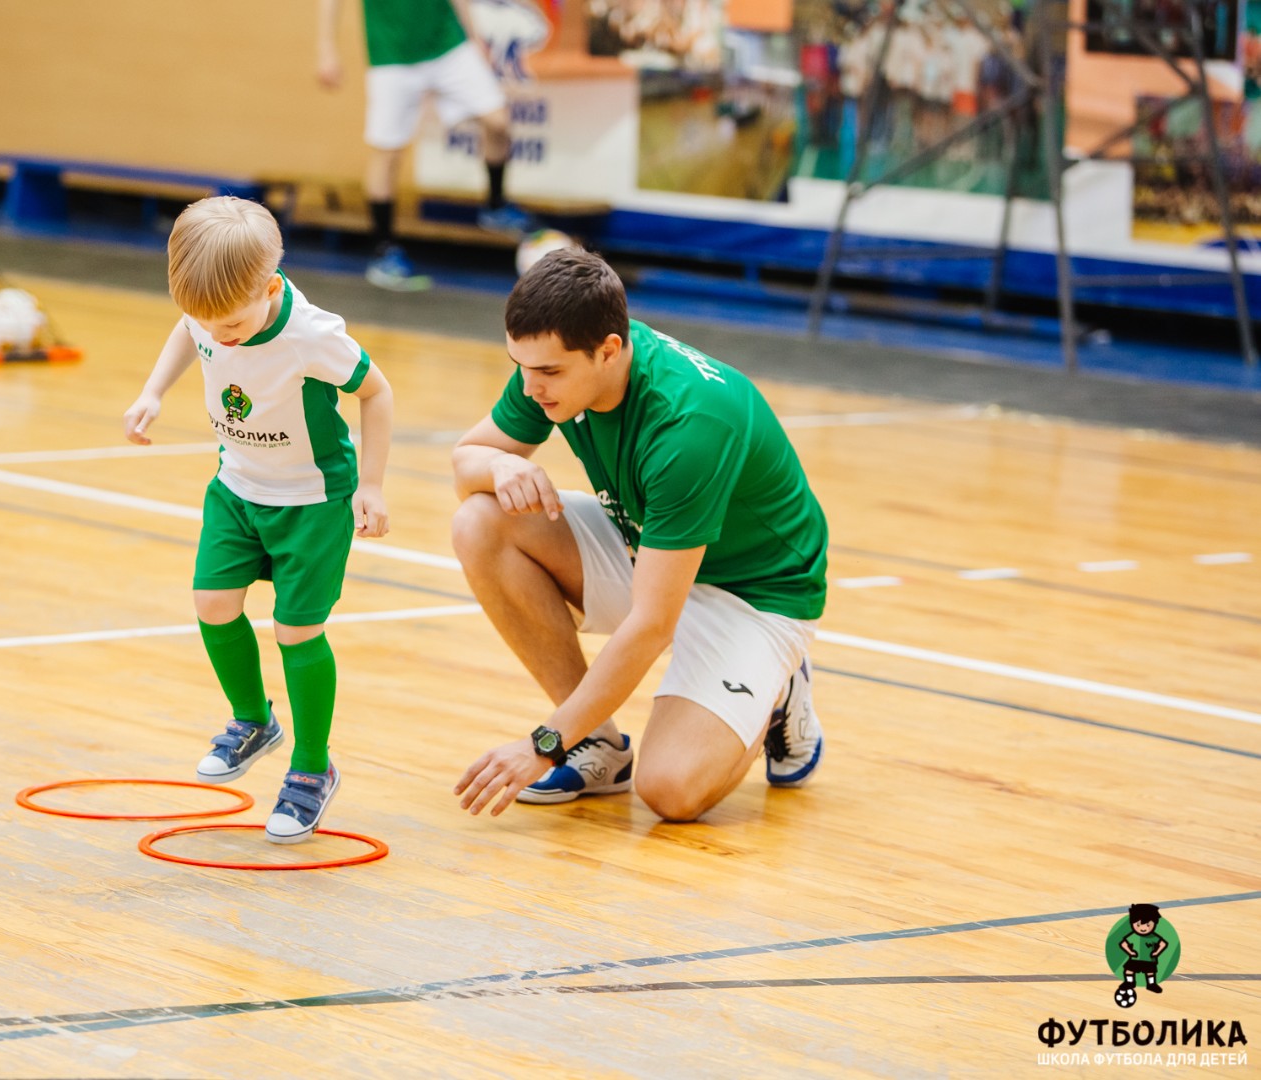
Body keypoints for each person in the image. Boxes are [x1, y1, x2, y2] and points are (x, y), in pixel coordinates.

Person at [449, 249, 829, 822]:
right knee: (480, 523)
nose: (530, 388)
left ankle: (777, 687)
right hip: (651, 548)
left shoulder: (690, 427)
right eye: (520, 366)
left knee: (670, 792)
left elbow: (651, 625)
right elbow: (465, 463)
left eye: (548, 373)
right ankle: (595, 744)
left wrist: (540, 746)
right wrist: (499, 467)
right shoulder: (555, 358)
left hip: (755, 594)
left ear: (608, 350)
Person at [123, 197, 395, 843]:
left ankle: (310, 768)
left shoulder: (312, 336)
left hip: (312, 500)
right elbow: (185, 330)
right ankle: (254, 720)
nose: (220, 335)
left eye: (234, 324)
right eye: (208, 323)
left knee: (297, 631)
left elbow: (376, 392)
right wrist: (152, 390)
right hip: (237, 487)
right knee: (212, 602)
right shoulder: (210, 311)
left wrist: (375, 486)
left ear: (270, 288)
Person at [316, 0, 535, 292]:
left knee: (498, 122)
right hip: (391, 53)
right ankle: (384, 251)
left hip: (447, 44)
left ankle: (495, 206)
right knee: (388, 152)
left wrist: (473, 38)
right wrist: (326, 49)